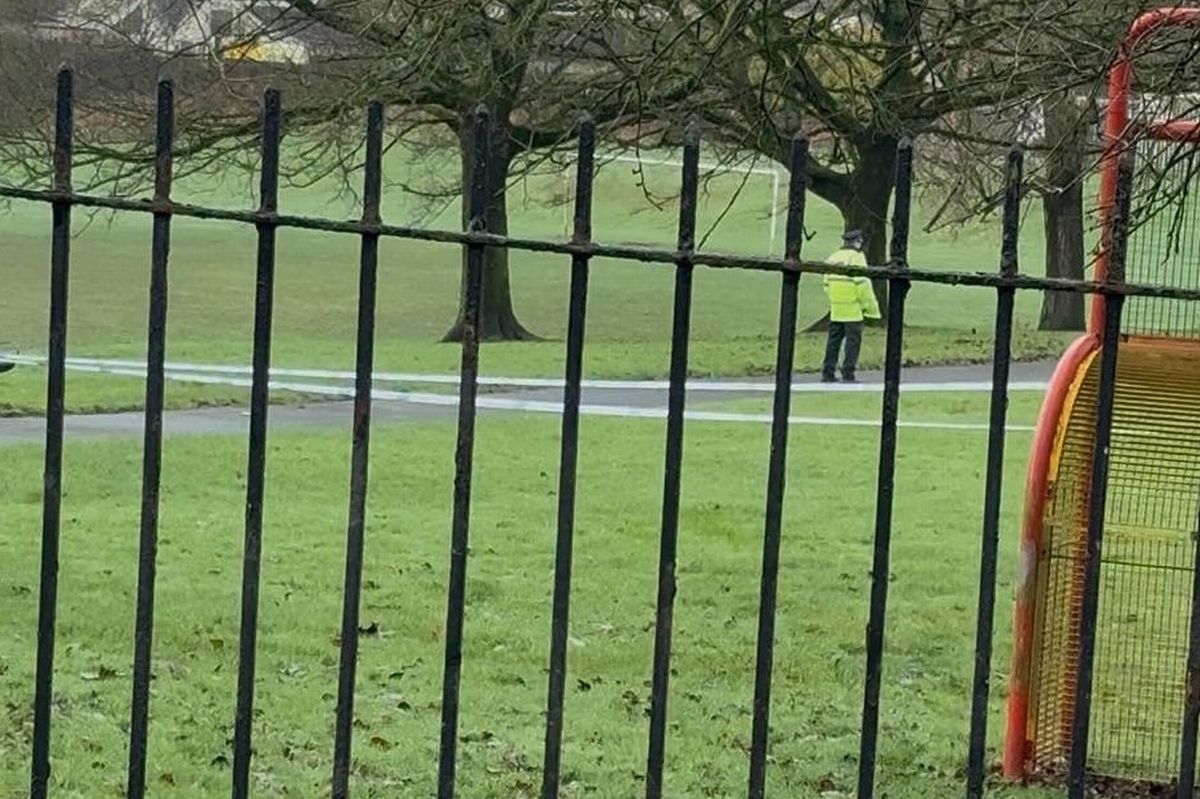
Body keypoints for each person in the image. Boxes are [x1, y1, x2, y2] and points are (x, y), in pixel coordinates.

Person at [821, 229, 881, 383]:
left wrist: (835, 299)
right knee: (852, 344)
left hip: (836, 309)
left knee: (833, 342)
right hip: (853, 309)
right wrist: (870, 309)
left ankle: (827, 373)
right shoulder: (857, 258)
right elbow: (863, 285)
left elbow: (826, 283)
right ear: (857, 242)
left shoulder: (833, 257)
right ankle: (848, 373)